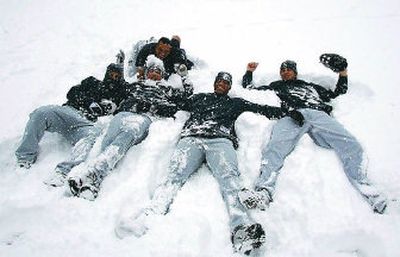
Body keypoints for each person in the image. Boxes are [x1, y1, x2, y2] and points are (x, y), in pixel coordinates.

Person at [114, 71, 304, 255]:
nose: (221, 84)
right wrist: (148, 105)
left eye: (225, 82)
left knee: (229, 179)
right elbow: (174, 105)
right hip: (191, 138)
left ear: (229, 87)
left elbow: (263, 109)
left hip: (220, 140)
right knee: (174, 177)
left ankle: (241, 228)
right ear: (214, 84)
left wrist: (289, 113)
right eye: (219, 81)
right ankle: (148, 217)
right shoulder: (198, 98)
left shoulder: (235, 103)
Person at [238, 56, 387, 214]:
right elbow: (250, 89)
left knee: (350, 144)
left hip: (318, 114)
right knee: (275, 148)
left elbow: (338, 92)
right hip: (292, 116)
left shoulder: (310, 86)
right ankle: (263, 192)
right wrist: (249, 72)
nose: (285, 72)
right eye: (282, 70)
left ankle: (371, 193)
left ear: (295, 72)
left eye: (288, 69)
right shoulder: (277, 86)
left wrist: (343, 72)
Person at [68, 55, 193, 200]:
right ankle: (92, 183)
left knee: (127, 134)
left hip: (142, 117)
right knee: (109, 140)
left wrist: (184, 78)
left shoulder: (167, 89)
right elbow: (115, 85)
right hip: (123, 113)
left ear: (162, 75)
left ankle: (93, 174)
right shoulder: (134, 85)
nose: (154, 73)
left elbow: (185, 99)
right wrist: (119, 67)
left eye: (158, 72)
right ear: (147, 72)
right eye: (152, 70)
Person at [15, 53, 129, 187]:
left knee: (93, 137)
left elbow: (128, 101)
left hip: (86, 124)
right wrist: (89, 102)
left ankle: (63, 171)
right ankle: (25, 157)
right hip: (68, 112)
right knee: (41, 112)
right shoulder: (92, 82)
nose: (113, 77)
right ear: (106, 73)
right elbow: (72, 92)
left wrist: (112, 107)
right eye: (111, 74)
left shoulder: (120, 94)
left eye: (117, 76)